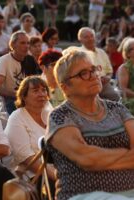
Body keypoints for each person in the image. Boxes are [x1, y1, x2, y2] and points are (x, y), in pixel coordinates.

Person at [46, 50, 134, 200]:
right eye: (83, 73)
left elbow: (94, 159)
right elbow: (87, 159)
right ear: (65, 87)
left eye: (93, 69)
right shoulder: (60, 116)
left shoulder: (117, 109)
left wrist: (100, 159)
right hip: (82, 195)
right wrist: (128, 157)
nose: (93, 75)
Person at [0, 31, 40, 114]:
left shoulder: (30, 60)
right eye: (22, 43)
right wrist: (20, 95)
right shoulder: (4, 60)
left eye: (28, 43)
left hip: (30, 98)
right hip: (12, 99)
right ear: (13, 45)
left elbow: (39, 81)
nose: (26, 46)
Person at [78, 27, 120, 101]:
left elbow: (109, 71)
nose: (90, 39)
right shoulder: (79, 54)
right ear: (80, 39)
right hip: (88, 84)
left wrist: (108, 77)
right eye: (86, 37)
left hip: (104, 85)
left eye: (91, 36)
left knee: (115, 97)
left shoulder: (102, 52)